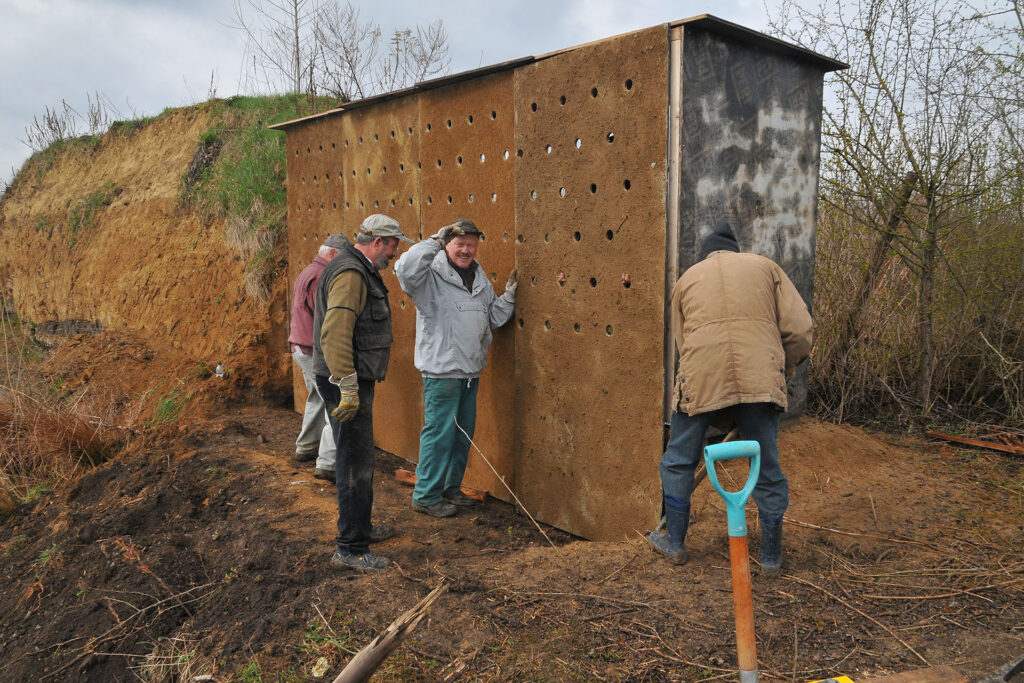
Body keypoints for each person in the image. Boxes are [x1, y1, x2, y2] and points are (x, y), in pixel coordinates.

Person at [648, 221, 813, 576]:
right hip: (760, 377)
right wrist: (783, 371)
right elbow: (799, 330)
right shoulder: (766, 268)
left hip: (703, 376)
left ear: (706, 253)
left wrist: (702, 382)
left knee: (679, 458)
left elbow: (683, 343)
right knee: (766, 465)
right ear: (736, 249)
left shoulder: (686, 280)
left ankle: (674, 541)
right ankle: (770, 557)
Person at [394, 218, 517, 518]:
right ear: (447, 244)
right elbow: (405, 269)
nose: (466, 250)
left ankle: (450, 489)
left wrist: (511, 294)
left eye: (471, 245)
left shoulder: (478, 277)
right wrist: (435, 240)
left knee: (461, 435)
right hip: (442, 373)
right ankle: (425, 495)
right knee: (439, 434)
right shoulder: (429, 277)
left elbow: (493, 317)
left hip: (469, 372)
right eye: (459, 243)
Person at [313, 214, 413, 572]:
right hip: (345, 381)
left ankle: (361, 529)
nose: (395, 252)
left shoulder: (350, 266)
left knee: (358, 459)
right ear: (377, 242)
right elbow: (336, 331)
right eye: (393, 245)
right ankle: (351, 548)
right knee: (355, 463)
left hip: (345, 378)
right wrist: (348, 387)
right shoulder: (352, 274)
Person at [288, 234, 345, 483]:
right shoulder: (322, 275)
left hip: (302, 347)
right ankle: (327, 463)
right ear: (331, 254)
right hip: (313, 350)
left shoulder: (309, 270)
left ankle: (306, 447)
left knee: (317, 396)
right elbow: (324, 316)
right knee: (335, 402)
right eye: (342, 259)